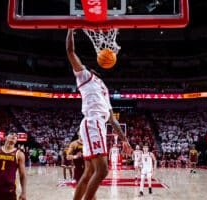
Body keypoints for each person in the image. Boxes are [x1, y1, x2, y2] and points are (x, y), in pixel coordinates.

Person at [66, 29, 133, 200]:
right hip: (92, 123)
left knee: (89, 173)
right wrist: (70, 30)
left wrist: (124, 140)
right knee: (102, 170)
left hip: (99, 125)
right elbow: (70, 52)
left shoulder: (104, 88)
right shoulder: (84, 76)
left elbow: (112, 119)